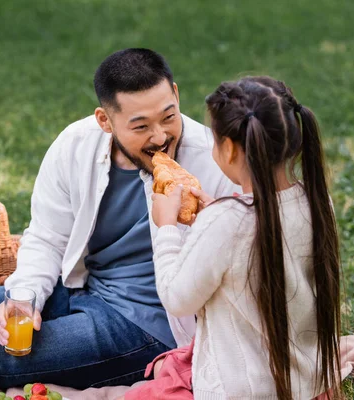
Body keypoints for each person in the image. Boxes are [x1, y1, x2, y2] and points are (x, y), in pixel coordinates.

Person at [0, 48, 237, 398]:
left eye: (168, 117)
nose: (160, 137)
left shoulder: (212, 163)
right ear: (105, 121)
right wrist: (24, 297)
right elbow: (46, 238)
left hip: (149, 329)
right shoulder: (76, 145)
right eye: (140, 126)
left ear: (175, 94)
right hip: (83, 290)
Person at [124, 76, 342, 399]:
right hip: (307, 384)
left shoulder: (227, 221)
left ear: (228, 149)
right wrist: (215, 215)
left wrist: (166, 226)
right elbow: (252, 241)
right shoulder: (317, 201)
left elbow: (176, 297)